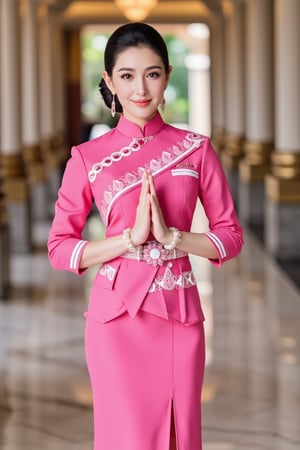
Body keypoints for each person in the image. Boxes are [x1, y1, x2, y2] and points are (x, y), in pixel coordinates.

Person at [48, 22, 243, 450]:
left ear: (168, 76)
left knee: (179, 438)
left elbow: (230, 236)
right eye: (127, 75)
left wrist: (174, 237)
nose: (140, 89)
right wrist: (128, 241)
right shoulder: (86, 157)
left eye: (152, 74)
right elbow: (59, 248)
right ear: (109, 81)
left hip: (179, 317)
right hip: (114, 321)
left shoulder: (196, 148)